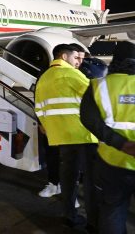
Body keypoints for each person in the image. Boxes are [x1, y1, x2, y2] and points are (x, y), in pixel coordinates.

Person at [35, 43, 97, 229]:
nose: (78, 62)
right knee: (91, 180)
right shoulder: (71, 74)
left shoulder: (44, 78)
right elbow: (97, 96)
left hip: (61, 137)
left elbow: (39, 108)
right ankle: (94, 222)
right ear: (64, 56)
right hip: (83, 134)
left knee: (68, 177)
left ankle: (69, 215)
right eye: (75, 57)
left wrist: (50, 128)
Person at [81, 41, 135, 234]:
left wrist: (121, 144)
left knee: (113, 209)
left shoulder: (98, 85)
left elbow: (89, 120)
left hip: (112, 160)